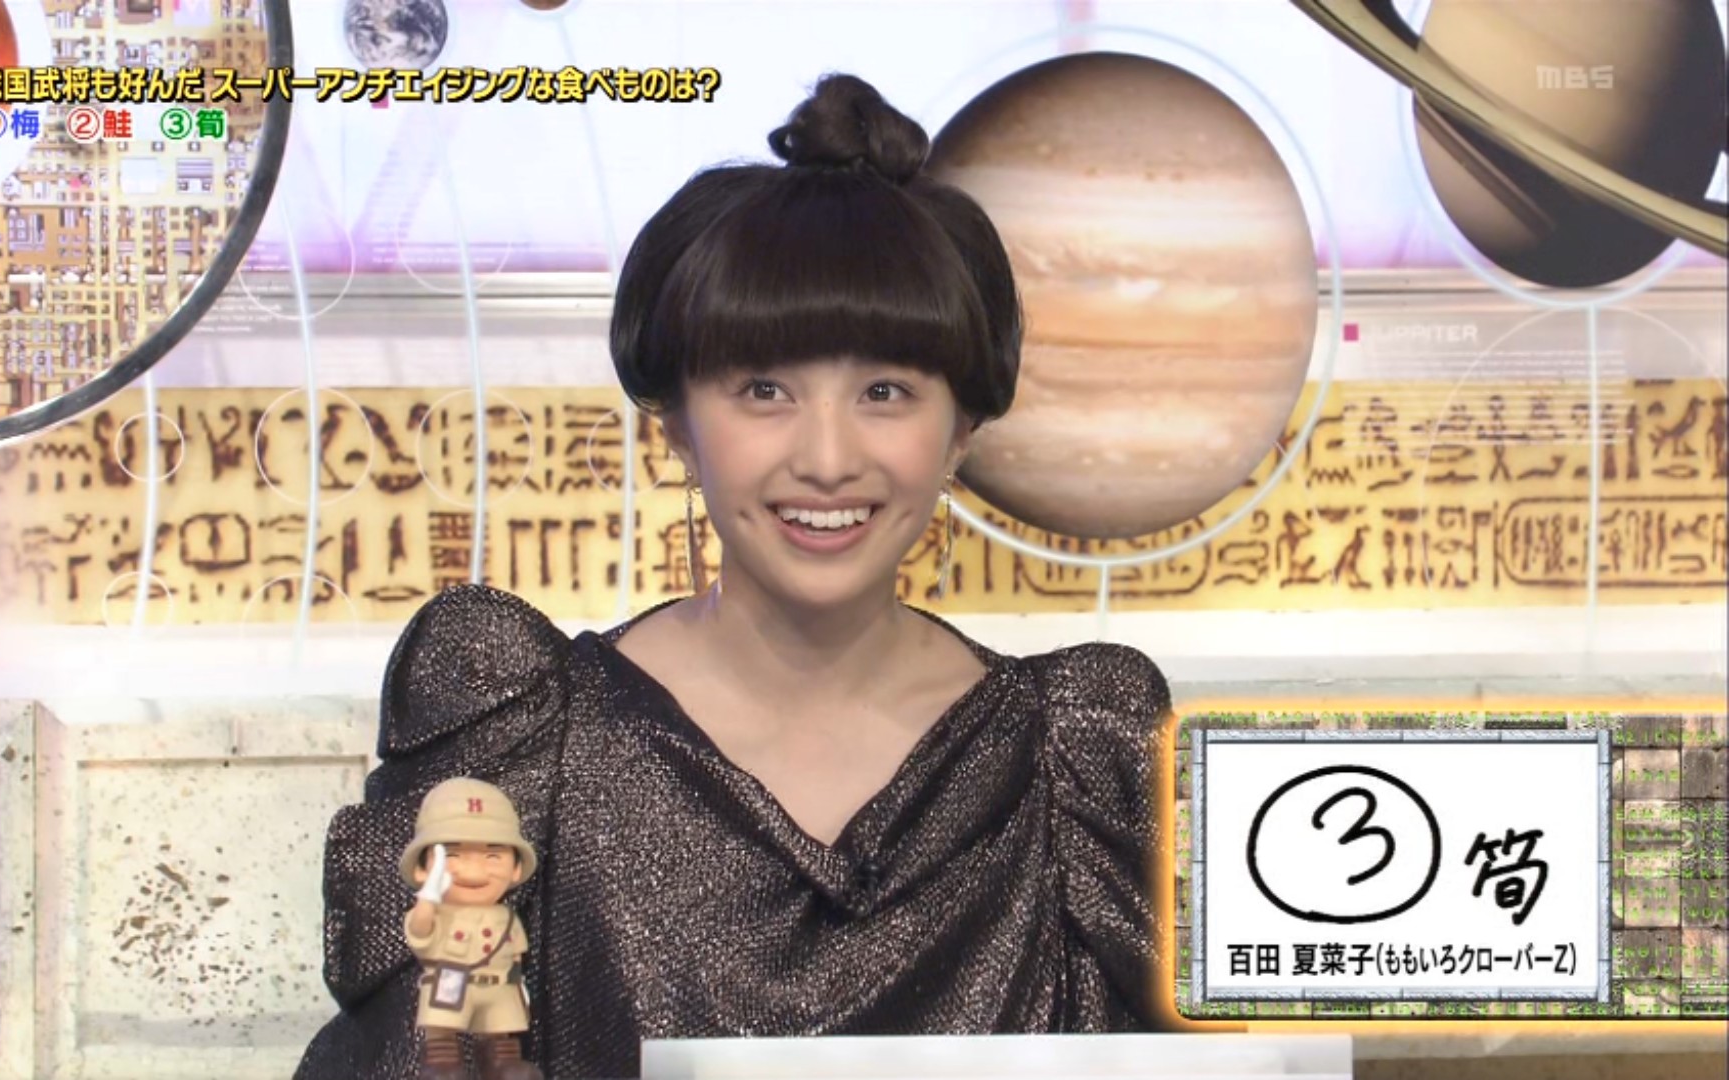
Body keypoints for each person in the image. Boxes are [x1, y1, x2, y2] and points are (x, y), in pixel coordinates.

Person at [298, 73, 1175, 1080]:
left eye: (886, 391)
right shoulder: (528, 734)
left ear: (960, 430)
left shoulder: (1074, 760)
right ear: (676, 422)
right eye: (764, 389)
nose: (828, 459)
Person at [401, 778, 541, 1080]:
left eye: (493, 856)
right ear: (422, 868)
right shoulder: (435, 911)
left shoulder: (507, 917)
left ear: (516, 868)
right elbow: (420, 934)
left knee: (502, 1033)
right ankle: (442, 1064)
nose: (474, 872)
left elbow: (516, 956)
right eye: (453, 856)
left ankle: (502, 1063)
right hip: (450, 978)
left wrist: (520, 987)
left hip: (499, 986)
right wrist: (429, 895)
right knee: (443, 1036)